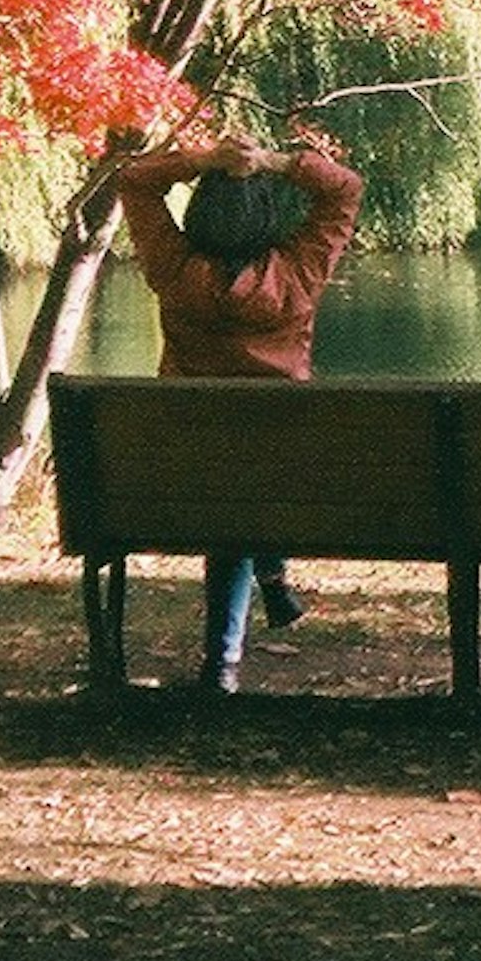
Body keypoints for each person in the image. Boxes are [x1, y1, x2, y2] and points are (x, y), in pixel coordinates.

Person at [112, 127, 366, 692]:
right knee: (256, 475)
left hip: (192, 464)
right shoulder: (299, 274)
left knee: (232, 483)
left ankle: (225, 659)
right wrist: (272, 161)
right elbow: (345, 189)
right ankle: (263, 592)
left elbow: (133, 181)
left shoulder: (174, 273)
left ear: (200, 215)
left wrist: (204, 159)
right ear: (270, 220)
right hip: (287, 469)